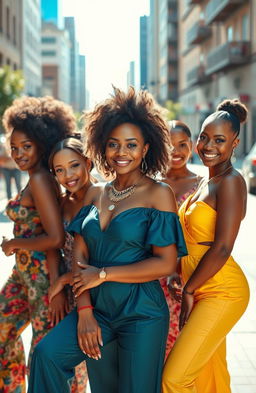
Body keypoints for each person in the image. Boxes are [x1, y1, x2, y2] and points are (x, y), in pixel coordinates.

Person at [27, 86, 187, 393]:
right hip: (97, 310)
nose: (121, 153)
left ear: (145, 148)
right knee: (47, 356)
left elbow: (166, 263)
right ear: (102, 146)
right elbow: (78, 256)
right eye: (113, 144)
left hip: (141, 313)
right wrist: (85, 311)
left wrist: (102, 275)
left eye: (131, 145)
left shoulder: (158, 194)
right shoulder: (96, 193)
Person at [162, 98, 250, 393]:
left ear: (235, 143)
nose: (208, 145)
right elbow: (188, 240)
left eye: (220, 140)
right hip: (198, 286)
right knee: (207, 377)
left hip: (221, 291)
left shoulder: (231, 182)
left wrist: (188, 288)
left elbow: (223, 248)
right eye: (204, 137)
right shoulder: (205, 181)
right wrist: (178, 273)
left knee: (174, 378)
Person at [0, 96, 76, 393]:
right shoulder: (35, 177)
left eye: (26, 147)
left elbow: (55, 238)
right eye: (14, 147)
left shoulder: (42, 179)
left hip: (44, 279)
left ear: (43, 143)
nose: (18, 154)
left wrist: (14, 243)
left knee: (45, 352)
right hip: (25, 275)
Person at [48, 136, 96, 392]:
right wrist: (58, 287)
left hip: (95, 290)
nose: (68, 175)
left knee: (89, 366)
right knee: (64, 371)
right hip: (68, 293)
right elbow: (53, 248)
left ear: (88, 162)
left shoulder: (103, 196)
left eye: (74, 165)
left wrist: (65, 279)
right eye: (59, 170)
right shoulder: (62, 203)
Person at [161, 120, 202, 357]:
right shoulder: (151, 183)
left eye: (182, 144)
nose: (175, 151)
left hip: (187, 277)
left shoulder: (201, 185)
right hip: (154, 276)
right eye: (169, 144)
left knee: (182, 352)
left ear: (192, 146)